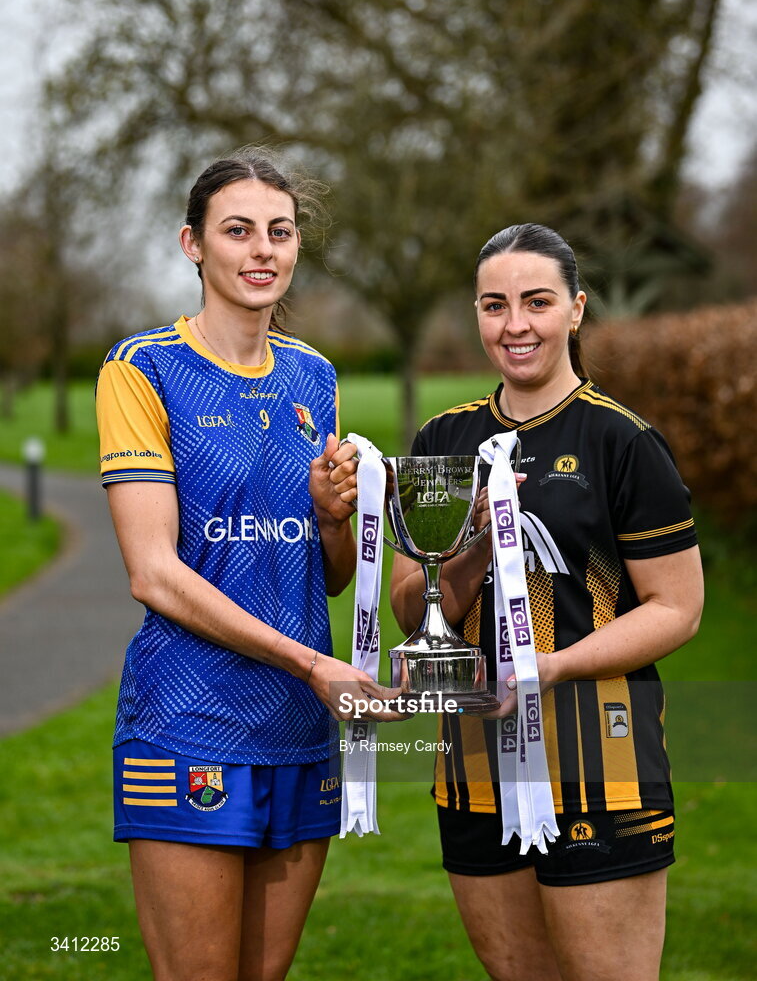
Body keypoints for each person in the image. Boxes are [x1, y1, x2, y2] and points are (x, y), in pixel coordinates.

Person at [96, 146, 399, 981]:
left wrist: (332, 516)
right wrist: (313, 664)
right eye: (237, 231)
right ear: (193, 244)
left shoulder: (312, 375)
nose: (262, 250)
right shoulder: (143, 368)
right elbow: (153, 572)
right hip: (189, 723)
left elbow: (326, 575)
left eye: (280, 231)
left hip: (298, 728)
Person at [390, 224, 704, 981]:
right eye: (494, 305)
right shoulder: (442, 440)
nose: (515, 325)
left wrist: (550, 666)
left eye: (536, 302)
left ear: (576, 309)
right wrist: (472, 542)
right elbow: (410, 610)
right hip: (472, 769)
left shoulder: (622, 441)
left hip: (602, 765)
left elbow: (676, 608)